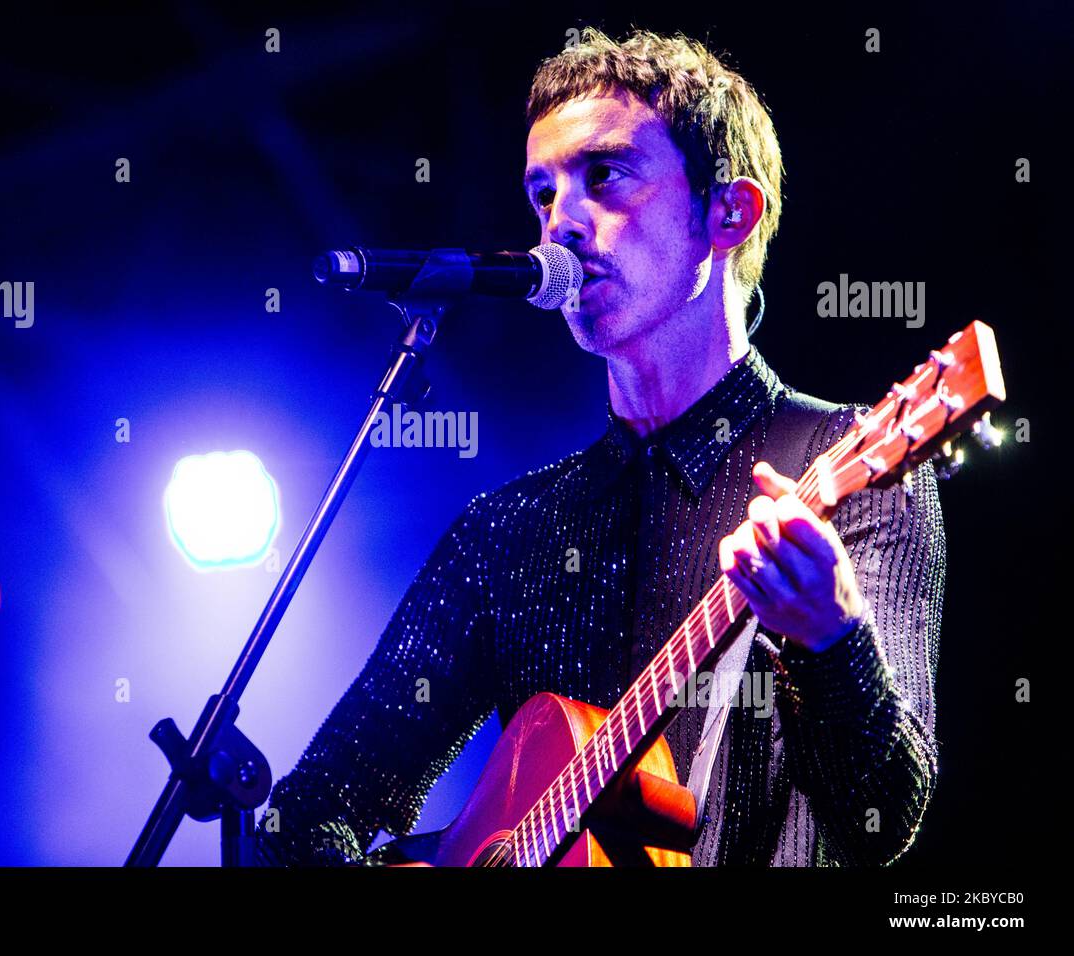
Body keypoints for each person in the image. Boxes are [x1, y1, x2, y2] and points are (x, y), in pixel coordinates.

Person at [253, 27, 943, 867]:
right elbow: (304, 818)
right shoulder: (505, 535)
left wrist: (833, 640)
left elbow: (884, 816)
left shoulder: (841, 461)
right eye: (542, 193)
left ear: (729, 212)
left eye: (605, 176)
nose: (561, 225)